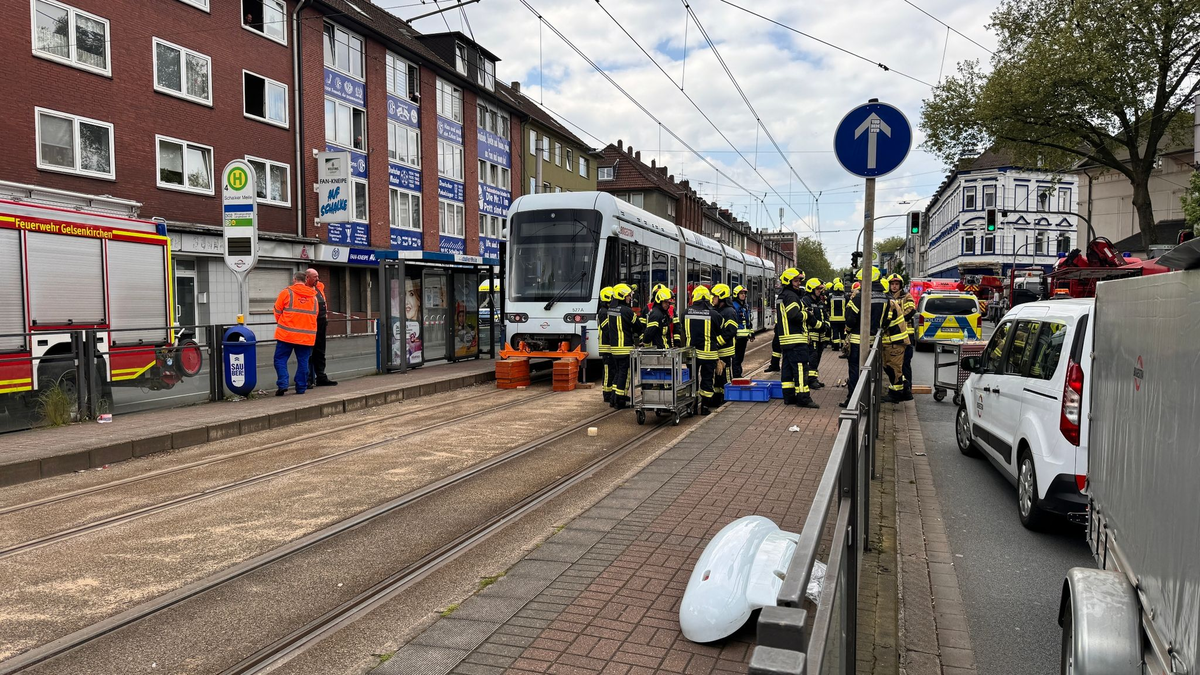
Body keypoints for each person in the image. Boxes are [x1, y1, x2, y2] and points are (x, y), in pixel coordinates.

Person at [841, 268, 887, 407]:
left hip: (858, 340)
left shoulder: (861, 296)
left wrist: (847, 330)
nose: (859, 283)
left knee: (855, 370)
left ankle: (853, 400)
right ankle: (868, 400)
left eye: (861, 280)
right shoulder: (885, 297)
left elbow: (850, 318)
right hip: (876, 341)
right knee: (871, 371)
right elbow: (886, 319)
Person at [776, 268, 818, 409]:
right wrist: (807, 314)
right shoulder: (792, 296)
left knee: (787, 371)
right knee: (801, 369)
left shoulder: (782, 296)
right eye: (795, 280)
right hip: (796, 340)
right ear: (788, 281)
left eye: (799, 280)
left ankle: (789, 397)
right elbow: (794, 315)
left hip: (786, 340)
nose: (798, 283)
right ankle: (803, 398)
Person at [273, 271, 319, 396]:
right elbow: (315, 315)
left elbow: (277, 311)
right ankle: (301, 387)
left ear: (294, 279)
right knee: (303, 361)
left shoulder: (286, 293)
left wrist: (283, 323)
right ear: (305, 281)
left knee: (280, 359)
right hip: (306, 336)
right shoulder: (313, 297)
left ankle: (283, 384)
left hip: (286, 334)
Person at [683, 285, 721, 414]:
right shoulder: (714, 314)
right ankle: (704, 407)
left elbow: (682, 329)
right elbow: (719, 330)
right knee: (707, 380)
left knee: (692, 380)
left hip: (691, 354)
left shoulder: (685, 313)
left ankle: (691, 407)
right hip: (708, 354)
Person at [604, 283, 638, 409]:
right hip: (625, 347)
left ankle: (613, 398)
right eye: (628, 296)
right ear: (622, 296)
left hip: (614, 348)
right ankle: (619, 400)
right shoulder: (627, 311)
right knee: (625, 373)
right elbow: (638, 326)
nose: (630, 298)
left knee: (618, 372)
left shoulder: (611, 310)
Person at [304, 268, 338, 387]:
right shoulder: (303, 290)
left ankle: (321, 376)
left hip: (321, 322)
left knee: (320, 351)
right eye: (315, 277)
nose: (317, 279)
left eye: (318, 276)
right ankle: (307, 378)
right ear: (307, 278)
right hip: (309, 324)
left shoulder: (319, 288)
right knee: (308, 352)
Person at [710, 283, 739, 406]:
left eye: (715, 296)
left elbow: (731, 330)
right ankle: (717, 397)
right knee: (718, 376)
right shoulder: (717, 310)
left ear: (721, 297)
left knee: (725, 375)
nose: (712, 299)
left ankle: (726, 398)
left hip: (725, 350)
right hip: (718, 350)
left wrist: (718, 342)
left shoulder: (729, 312)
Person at [889, 274, 916, 401]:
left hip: (906, 336)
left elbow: (911, 310)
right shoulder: (888, 297)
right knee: (895, 365)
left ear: (900, 285)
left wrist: (897, 320)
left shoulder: (906, 296)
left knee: (905, 364)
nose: (894, 286)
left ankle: (907, 389)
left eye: (896, 284)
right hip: (893, 337)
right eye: (892, 284)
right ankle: (899, 388)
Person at [801, 278, 827, 390]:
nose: (820, 291)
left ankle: (814, 378)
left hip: (820, 336)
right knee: (812, 357)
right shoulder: (805, 301)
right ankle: (811, 380)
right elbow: (810, 319)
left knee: (817, 357)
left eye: (821, 289)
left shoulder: (820, 302)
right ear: (811, 289)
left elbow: (825, 316)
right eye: (818, 289)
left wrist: (827, 325)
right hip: (811, 336)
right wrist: (821, 326)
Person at [731, 285, 754, 378]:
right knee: (736, 358)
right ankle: (737, 375)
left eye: (744, 293)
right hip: (737, 337)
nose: (743, 295)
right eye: (741, 293)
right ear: (736, 294)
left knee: (740, 358)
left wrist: (751, 333)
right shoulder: (734, 306)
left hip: (744, 337)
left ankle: (738, 374)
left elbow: (748, 321)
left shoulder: (745, 306)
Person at [597, 286, 614, 404]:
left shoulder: (605, 310)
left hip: (608, 346)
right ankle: (607, 394)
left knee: (611, 370)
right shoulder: (603, 312)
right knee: (608, 371)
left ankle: (610, 392)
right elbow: (606, 328)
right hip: (605, 346)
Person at [829, 278, 847, 356]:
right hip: (843, 318)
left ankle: (835, 347)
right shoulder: (845, 297)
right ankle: (843, 346)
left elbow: (827, 306)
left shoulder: (831, 297)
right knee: (843, 333)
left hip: (833, 319)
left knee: (835, 332)